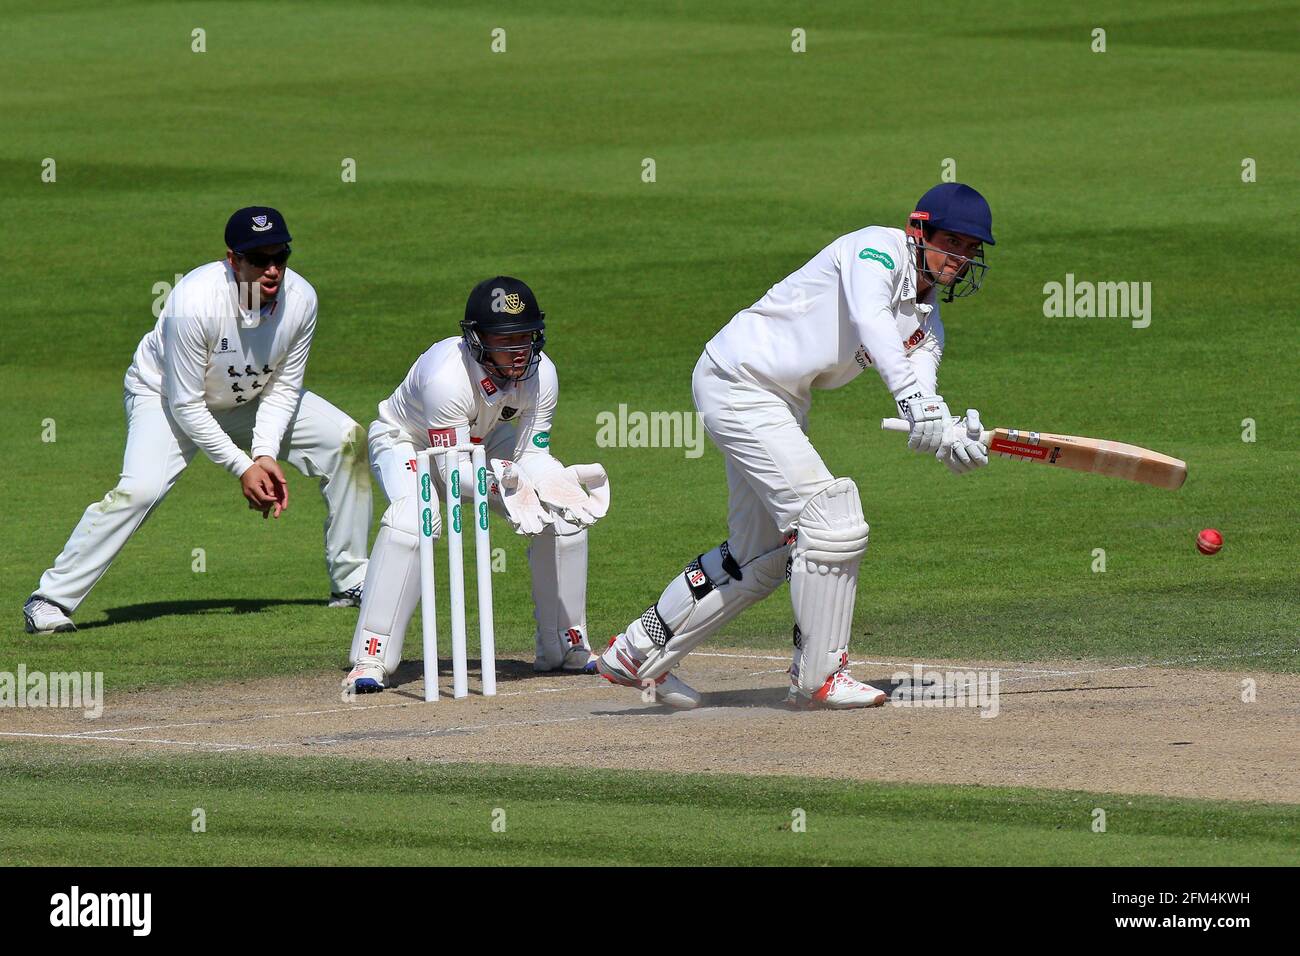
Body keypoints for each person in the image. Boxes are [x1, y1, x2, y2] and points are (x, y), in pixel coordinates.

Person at [596, 183, 995, 709]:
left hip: (778, 403)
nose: (961, 257)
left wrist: (946, 432)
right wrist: (914, 402)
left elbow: (923, 382)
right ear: (918, 231)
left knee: (757, 555)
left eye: (971, 249)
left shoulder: (926, 318)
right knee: (832, 519)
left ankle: (636, 653)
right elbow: (872, 322)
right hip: (739, 381)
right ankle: (820, 676)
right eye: (953, 242)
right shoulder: (873, 250)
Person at [23, 207, 372, 634]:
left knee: (347, 440)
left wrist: (263, 452)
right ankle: (50, 599)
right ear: (233, 260)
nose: (272, 270)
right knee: (140, 489)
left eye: (280, 257)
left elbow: (283, 388)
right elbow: (187, 405)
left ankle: (351, 580)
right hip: (165, 398)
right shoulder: (193, 302)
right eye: (259, 259)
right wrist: (243, 467)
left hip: (249, 398)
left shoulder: (301, 301)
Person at [343, 276, 609, 693]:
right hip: (409, 442)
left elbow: (532, 452)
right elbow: (452, 473)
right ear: (477, 339)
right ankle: (370, 658)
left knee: (563, 514)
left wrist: (548, 482)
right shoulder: (446, 377)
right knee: (414, 520)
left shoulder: (543, 375)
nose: (519, 350)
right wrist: (506, 486)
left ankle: (565, 647)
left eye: (526, 336)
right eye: (506, 339)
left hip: (486, 440)